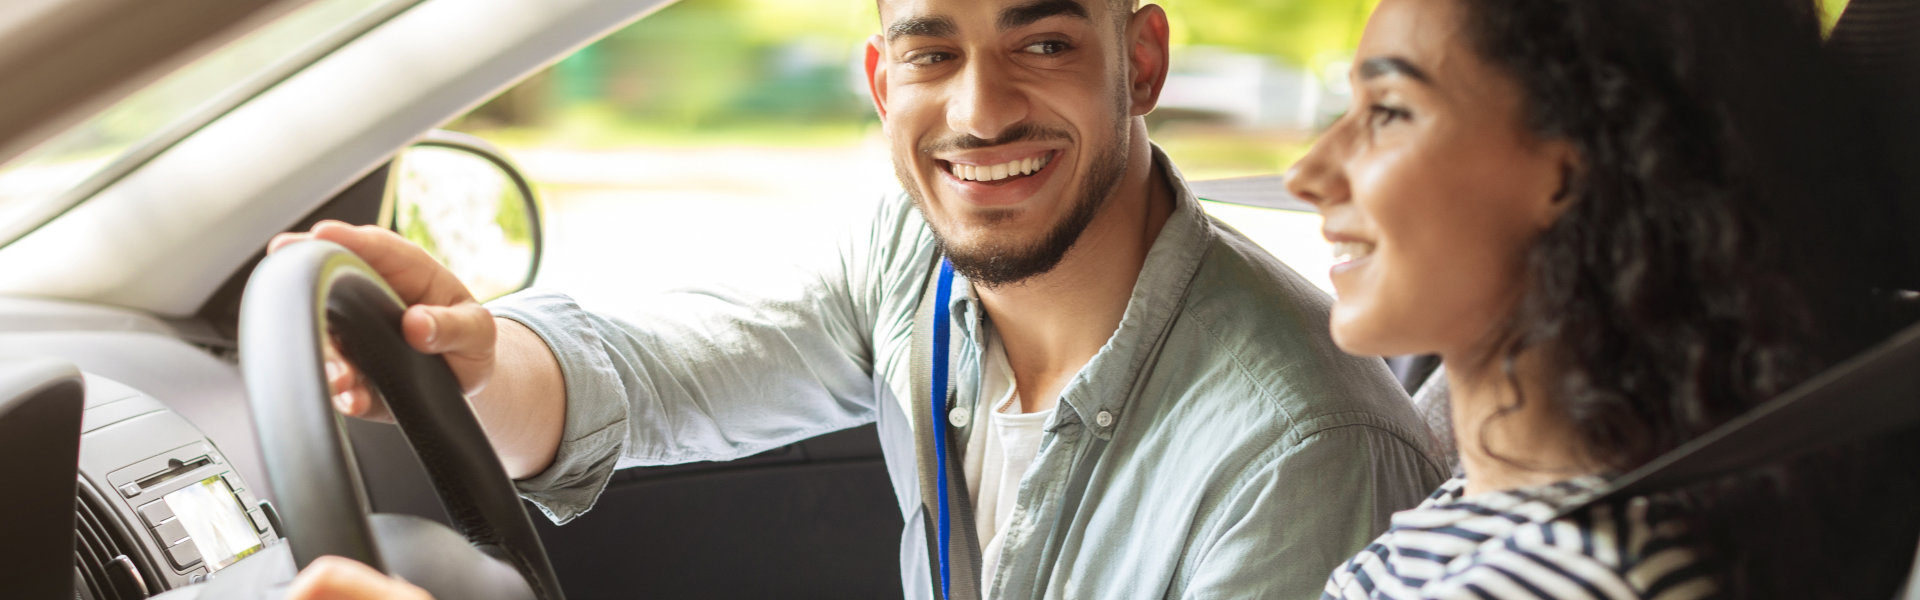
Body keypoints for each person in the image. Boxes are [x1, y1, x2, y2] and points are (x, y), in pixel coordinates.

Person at [281, 0, 1450, 598]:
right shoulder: (919, 257)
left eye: (1040, 43)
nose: (981, 112)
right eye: (934, 53)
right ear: (882, 78)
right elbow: (658, 375)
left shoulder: (1304, 453)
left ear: (1137, 61)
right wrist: (474, 360)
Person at [1290, 0, 1920, 597]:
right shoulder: (1476, 514)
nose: (1306, 174)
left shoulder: (1581, 576)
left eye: (1390, 111)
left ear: (1572, 171)